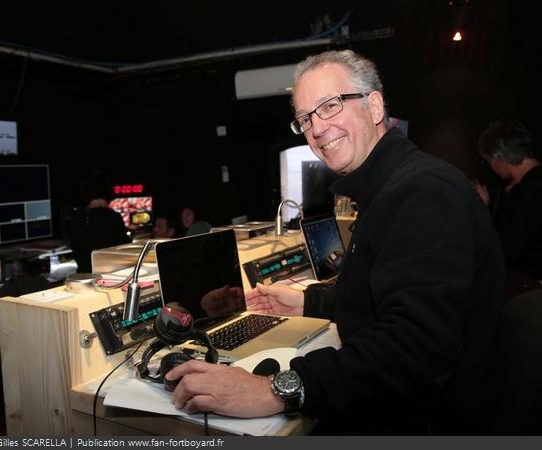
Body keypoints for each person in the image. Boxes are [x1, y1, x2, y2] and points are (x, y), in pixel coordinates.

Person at [166, 49, 504, 434]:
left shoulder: (423, 193)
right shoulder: (391, 187)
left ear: (374, 106)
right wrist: (310, 300)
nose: (317, 129)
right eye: (305, 118)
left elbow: (416, 347)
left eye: (329, 106)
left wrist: (275, 390)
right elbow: (382, 295)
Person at [475, 118, 542, 297]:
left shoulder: (533, 188)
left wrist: (482, 210)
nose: (491, 167)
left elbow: (508, 248)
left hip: (530, 289)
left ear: (499, 157)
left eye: (488, 161)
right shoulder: (521, 186)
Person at [69, 172, 130, 273]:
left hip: (84, 276)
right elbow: (125, 250)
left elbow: (76, 250)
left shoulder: (77, 217)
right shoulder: (113, 217)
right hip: (109, 276)